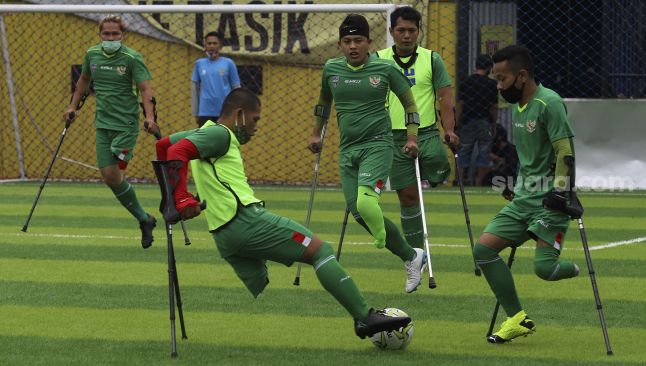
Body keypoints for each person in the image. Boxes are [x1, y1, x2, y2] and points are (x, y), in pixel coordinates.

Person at [154, 88, 411, 339]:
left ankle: (363, 316)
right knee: (320, 251)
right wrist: (180, 198)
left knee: (287, 263)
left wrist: (169, 201)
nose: (256, 128)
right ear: (240, 114)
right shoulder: (220, 135)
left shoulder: (204, 132)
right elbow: (176, 153)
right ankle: (365, 317)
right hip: (245, 219)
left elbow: (164, 146)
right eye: (255, 120)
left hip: (224, 233)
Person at [308, 14, 427, 293]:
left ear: (368, 42)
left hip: (378, 144)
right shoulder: (331, 69)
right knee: (358, 212)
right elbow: (324, 102)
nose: (353, 46)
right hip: (347, 149)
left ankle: (382, 240)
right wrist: (316, 133)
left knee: (365, 203)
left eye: (358, 40)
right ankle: (411, 256)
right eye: (347, 41)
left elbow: (410, 104)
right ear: (339, 44)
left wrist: (411, 138)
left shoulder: (385, 69)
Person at [474, 45, 580, 344]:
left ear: (522, 76)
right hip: (523, 199)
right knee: (483, 250)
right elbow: (530, 157)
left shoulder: (549, 103)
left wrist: (561, 191)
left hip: (550, 202)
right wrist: (514, 184)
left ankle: (574, 268)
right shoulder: (517, 107)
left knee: (545, 269)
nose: (498, 86)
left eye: (502, 79)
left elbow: (564, 151)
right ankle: (517, 319)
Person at [65, 15, 159, 249]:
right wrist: (72, 107)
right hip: (102, 124)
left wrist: (149, 117)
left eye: (115, 34)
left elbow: (146, 89)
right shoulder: (92, 54)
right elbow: (83, 81)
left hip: (126, 124)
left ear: (122, 35)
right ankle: (144, 219)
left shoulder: (132, 58)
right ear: (100, 35)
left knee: (118, 160)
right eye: (106, 34)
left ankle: (123, 159)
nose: (110, 38)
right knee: (110, 177)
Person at [374, 6, 458, 250]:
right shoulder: (378, 60)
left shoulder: (432, 58)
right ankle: (416, 254)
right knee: (408, 197)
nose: (407, 35)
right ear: (392, 31)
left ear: (419, 31)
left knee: (441, 167)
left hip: (428, 132)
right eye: (401, 30)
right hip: (393, 136)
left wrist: (449, 130)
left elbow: (445, 97)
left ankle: (429, 179)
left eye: (412, 30)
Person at [456, 54, 498, 186]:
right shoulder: (492, 84)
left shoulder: (466, 82)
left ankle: (461, 182)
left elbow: (460, 105)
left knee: (463, 152)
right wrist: (494, 123)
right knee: (484, 152)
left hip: (467, 120)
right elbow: (493, 107)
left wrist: (456, 123)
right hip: (484, 121)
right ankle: (478, 183)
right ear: (489, 68)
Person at [191, 31, 241, 127]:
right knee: (205, 141)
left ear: (220, 46)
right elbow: (195, 89)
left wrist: (235, 109)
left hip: (225, 112)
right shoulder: (199, 64)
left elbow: (236, 88)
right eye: (209, 43)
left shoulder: (229, 63)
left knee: (223, 140)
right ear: (205, 46)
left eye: (215, 43)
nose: (212, 46)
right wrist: (195, 112)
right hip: (205, 113)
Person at [485, 124, 519, 188]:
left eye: (493, 134)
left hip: (509, 177)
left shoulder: (511, 149)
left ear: (499, 136)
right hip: (496, 175)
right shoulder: (494, 148)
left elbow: (510, 168)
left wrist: (499, 160)